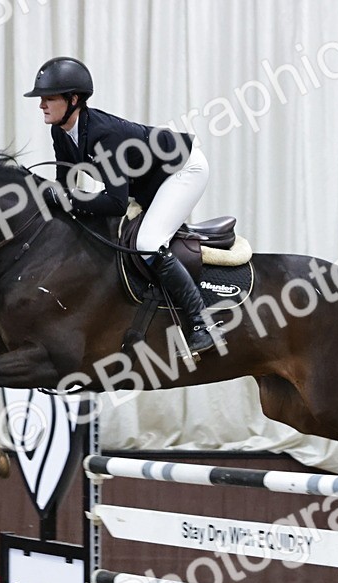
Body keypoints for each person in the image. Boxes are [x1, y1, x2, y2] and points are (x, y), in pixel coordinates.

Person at [24, 56, 216, 357]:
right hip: (150, 181)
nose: (41, 105)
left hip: (184, 169)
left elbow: (114, 203)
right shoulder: (60, 133)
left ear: (73, 100)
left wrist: (65, 199)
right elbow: (66, 187)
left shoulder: (105, 136)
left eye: (49, 98)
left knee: (148, 243)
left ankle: (201, 325)